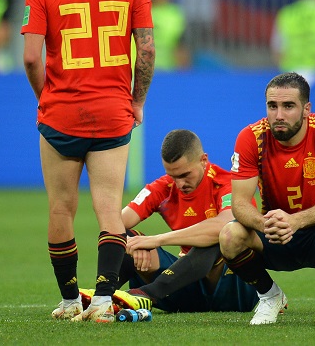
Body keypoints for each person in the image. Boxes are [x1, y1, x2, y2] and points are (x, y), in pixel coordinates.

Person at [21, 0, 155, 323]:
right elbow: (147, 50)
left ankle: (66, 300)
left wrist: (46, 96)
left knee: (61, 208)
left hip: (61, 113)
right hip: (112, 112)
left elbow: (29, 57)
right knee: (109, 206)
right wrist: (136, 101)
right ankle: (101, 300)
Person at [218, 72, 315, 325]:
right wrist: (266, 225)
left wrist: (295, 221)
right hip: (273, 233)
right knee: (229, 236)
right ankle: (269, 296)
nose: (279, 115)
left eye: (288, 106)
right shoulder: (250, 137)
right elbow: (239, 203)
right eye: (272, 106)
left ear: (307, 109)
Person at [79, 129, 258, 313]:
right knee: (123, 236)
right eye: (173, 176)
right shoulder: (164, 188)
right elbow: (115, 223)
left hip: (235, 290)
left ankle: (146, 294)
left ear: (203, 160)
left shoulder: (227, 184)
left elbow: (223, 225)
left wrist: (157, 240)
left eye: (185, 175)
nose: (179, 184)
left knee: (217, 238)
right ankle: (103, 298)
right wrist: (135, 244)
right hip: (187, 287)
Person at [145, 0, 190, 71]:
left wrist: (182, 69)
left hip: (166, 70)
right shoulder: (139, 10)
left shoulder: (175, 14)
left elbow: (181, 43)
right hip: (138, 69)